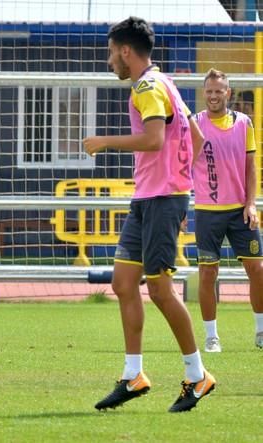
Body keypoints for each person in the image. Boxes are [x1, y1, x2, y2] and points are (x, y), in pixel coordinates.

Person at [83, 17, 216, 413]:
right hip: (150, 199)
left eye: (111, 53)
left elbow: (155, 139)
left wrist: (104, 141)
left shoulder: (147, 87)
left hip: (161, 200)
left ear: (126, 51)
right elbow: (197, 137)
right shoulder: (166, 82)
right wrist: (180, 181)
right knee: (124, 283)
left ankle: (197, 376)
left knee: (159, 289)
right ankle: (133, 375)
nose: (110, 62)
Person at [192, 69, 263, 352]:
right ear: (204, 93)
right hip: (208, 212)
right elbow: (183, 164)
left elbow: (251, 168)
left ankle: (260, 331)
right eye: (209, 91)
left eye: (218, 91)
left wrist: (251, 203)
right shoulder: (194, 124)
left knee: (257, 269)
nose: (213, 96)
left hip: (240, 212)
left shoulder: (244, 123)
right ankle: (212, 337)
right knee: (208, 274)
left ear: (228, 93)